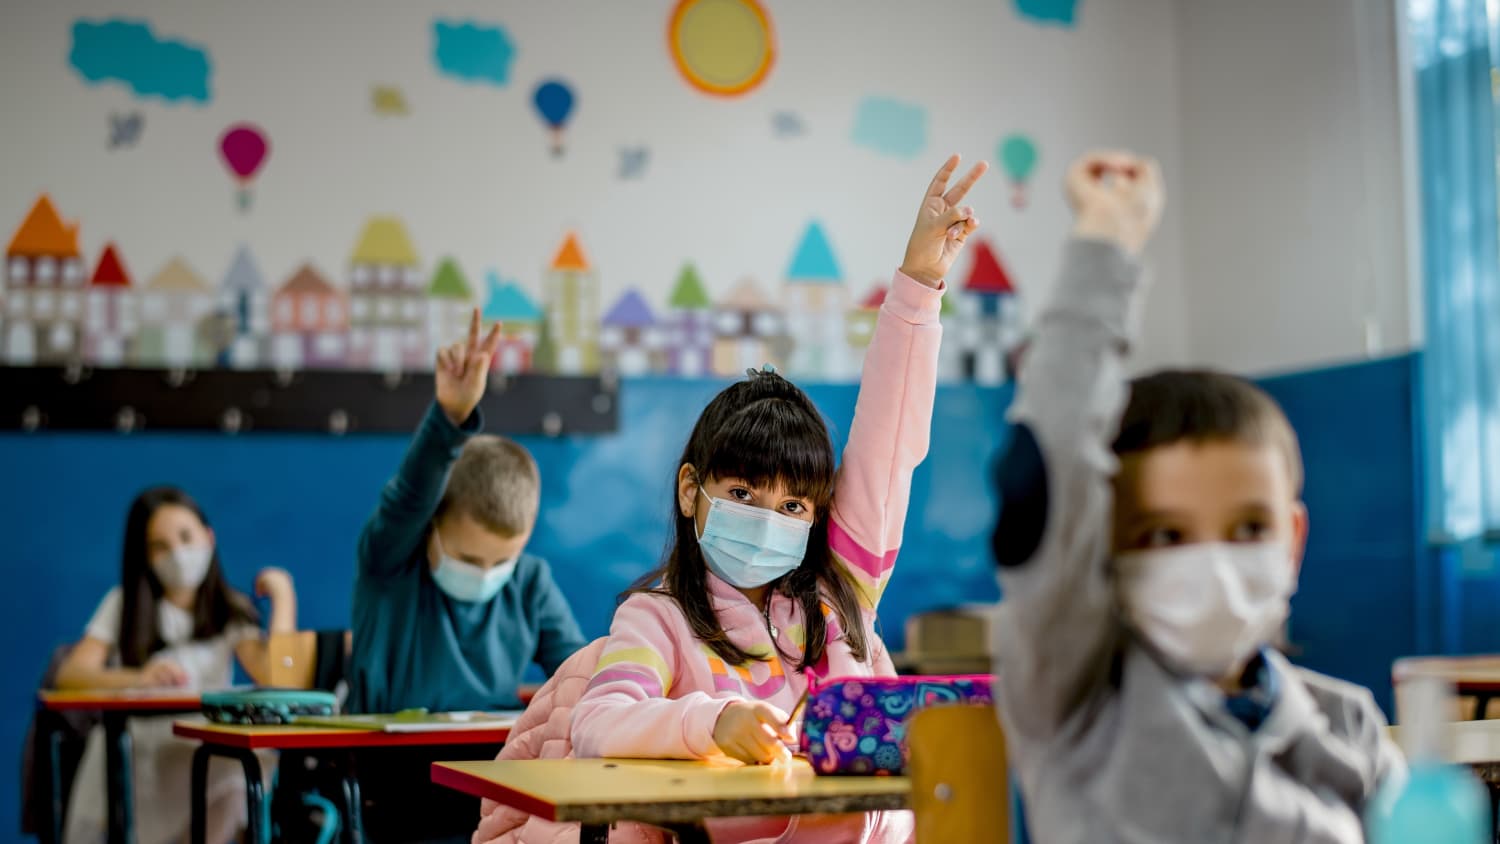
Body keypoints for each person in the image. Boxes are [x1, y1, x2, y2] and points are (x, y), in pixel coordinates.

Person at [568, 154, 987, 843]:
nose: (767, 520)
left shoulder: (840, 589)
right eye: (741, 493)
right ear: (689, 490)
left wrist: (918, 284)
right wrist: (709, 722)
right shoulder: (658, 619)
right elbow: (596, 724)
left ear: (818, 516)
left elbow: (890, 440)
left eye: (793, 506)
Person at [989, 149, 1405, 842]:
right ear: (1101, 550)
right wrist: (1106, 245)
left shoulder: (1348, 726)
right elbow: (1051, 468)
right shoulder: (1077, 700)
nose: (1212, 561)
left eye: (1247, 528)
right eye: (1164, 535)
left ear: (1293, 541)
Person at [58, 486, 296, 844]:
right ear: (145, 555)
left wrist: (283, 596)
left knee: (243, 774)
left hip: (202, 748)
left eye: (186, 537)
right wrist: (138, 677)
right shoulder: (124, 603)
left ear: (209, 537)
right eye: (159, 546)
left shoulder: (230, 611)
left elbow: (277, 677)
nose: (178, 554)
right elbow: (69, 675)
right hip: (139, 753)